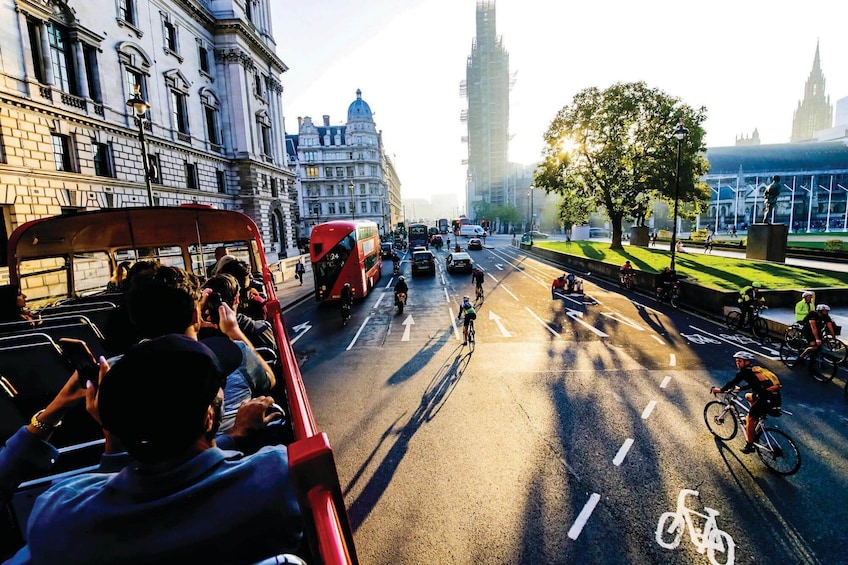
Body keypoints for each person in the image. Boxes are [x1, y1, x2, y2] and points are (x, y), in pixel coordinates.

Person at [8, 334, 303, 565]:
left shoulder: (58, 519)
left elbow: (112, 493)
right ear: (210, 417)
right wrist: (234, 436)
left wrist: (115, 432)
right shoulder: (277, 478)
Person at [126, 264, 275, 434]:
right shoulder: (234, 354)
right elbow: (268, 379)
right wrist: (234, 332)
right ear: (196, 315)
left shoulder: (125, 371)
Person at [711, 351, 782, 454]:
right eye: (737, 361)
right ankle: (755, 420)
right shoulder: (754, 371)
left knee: (749, 419)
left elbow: (732, 382)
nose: (738, 363)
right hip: (775, 398)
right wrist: (741, 388)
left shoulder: (745, 372)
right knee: (748, 396)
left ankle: (749, 446)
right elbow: (754, 384)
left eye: (740, 361)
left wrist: (720, 390)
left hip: (765, 400)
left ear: (747, 362)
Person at [799, 304, 838, 373]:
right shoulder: (813, 315)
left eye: (827, 311)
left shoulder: (826, 317)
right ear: (820, 311)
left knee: (818, 349)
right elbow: (813, 327)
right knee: (814, 347)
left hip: (818, 331)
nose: (827, 312)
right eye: (825, 311)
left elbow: (830, 327)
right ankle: (801, 357)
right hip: (808, 331)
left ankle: (812, 364)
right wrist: (817, 339)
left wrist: (834, 338)